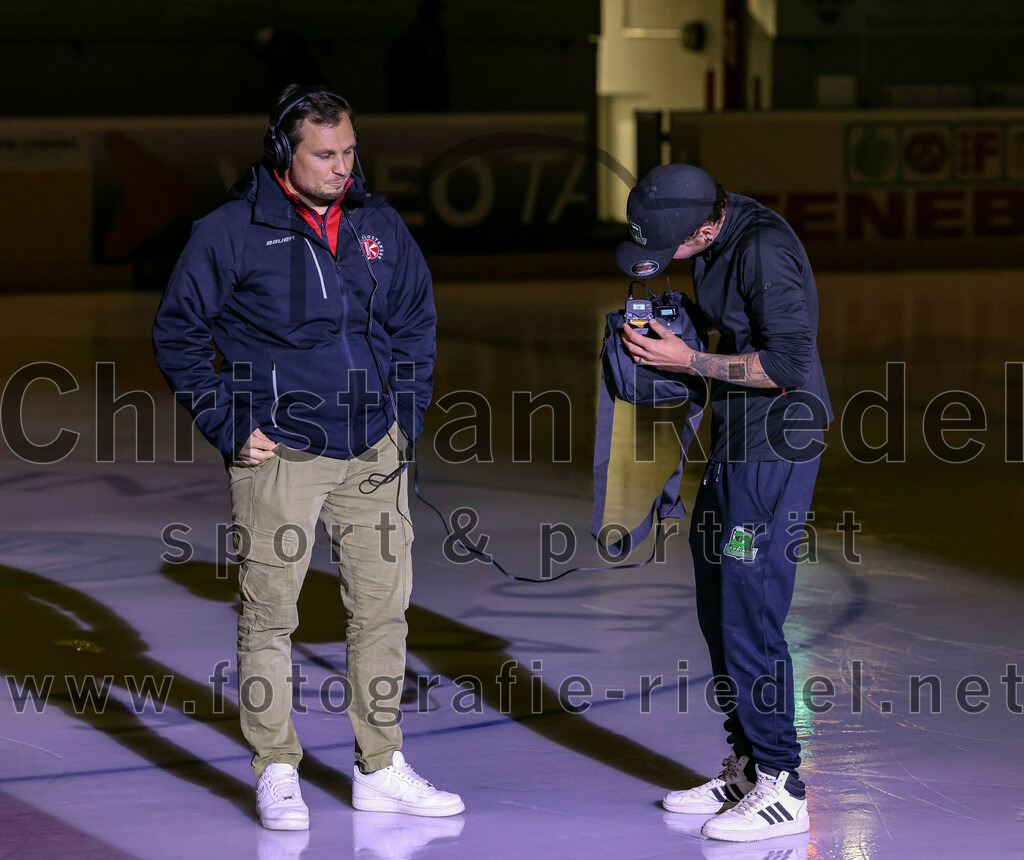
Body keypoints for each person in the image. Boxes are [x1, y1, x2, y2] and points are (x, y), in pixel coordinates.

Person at [153, 85, 464, 830]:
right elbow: (179, 334)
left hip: (372, 450)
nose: (341, 166)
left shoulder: (375, 222)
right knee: (271, 618)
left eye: (350, 151)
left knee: (383, 614)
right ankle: (277, 768)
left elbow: (416, 319)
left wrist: (403, 420)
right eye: (325, 154)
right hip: (283, 454)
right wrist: (231, 423)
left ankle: (379, 764)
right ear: (282, 154)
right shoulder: (231, 232)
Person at [616, 164, 832, 843]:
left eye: (672, 249)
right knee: (716, 597)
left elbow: (787, 365)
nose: (663, 260)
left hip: (776, 446)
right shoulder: (710, 232)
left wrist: (692, 363)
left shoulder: (764, 248)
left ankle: (782, 783)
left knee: (748, 602)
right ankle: (746, 765)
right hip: (737, 440)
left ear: (706, 227)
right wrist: (672, 328)